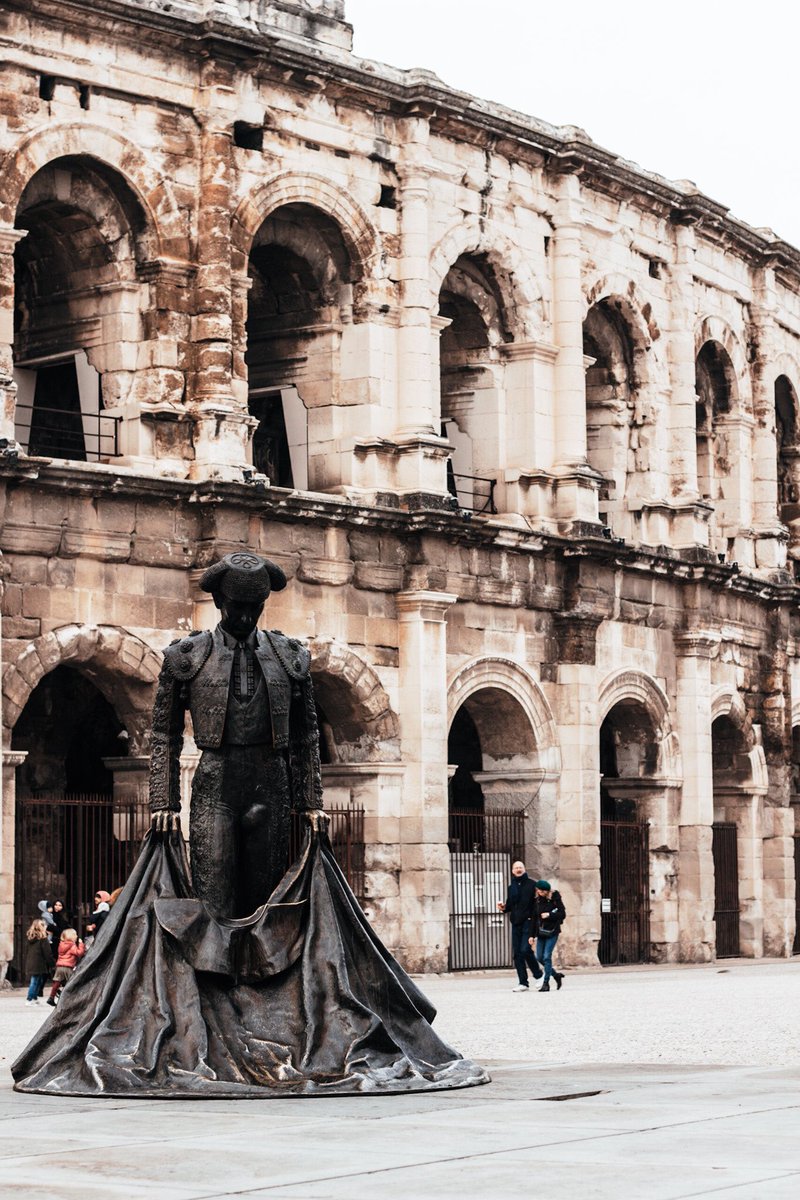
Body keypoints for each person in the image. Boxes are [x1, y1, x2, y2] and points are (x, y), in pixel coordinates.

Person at [148, 551, 324, 919]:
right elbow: (164, 735)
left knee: (264, 903)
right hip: (217, 783)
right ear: (218, 602)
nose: (245, 617)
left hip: (270, 782)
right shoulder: (186, 656)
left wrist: (310, 800)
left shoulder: (290, 656)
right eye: (236, 607)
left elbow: (307, 737)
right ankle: (218, 975)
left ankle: (257, 976)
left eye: (254, 608)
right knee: (214, 898)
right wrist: (164, 801)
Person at [497, 860, 542, 992]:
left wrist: (535, 922)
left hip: (528, 921)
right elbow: (510, 905)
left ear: (524, 869)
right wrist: (503, 908)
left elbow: (536, 905)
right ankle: (523, 982)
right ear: (512, 871)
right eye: (516, 868)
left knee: (525, 950)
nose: (518, 869)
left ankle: (539, 975)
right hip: (516, 922)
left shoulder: (532, 884)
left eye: (520, 867)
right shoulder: (512, 887)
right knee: (517, 954)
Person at [529, 880, 566, 992]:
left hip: (552, 932)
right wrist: (531, 935)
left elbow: (562, 914)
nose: (539, 892)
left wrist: (549, 915)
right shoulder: (537, 901)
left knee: (546, 956)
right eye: (538, 890)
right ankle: (556, 975)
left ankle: (546, 983)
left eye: (541, 891)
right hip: (541, 933)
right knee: (539, 957)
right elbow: (534, 919)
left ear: (546, 891)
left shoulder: (555, 898)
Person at [47, 929, 85, 1006]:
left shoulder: (61, 944)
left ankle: (51, 997)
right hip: (68, 967)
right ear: (72, 937)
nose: (77, 936)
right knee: (71, 982)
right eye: (76, 935)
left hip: (60, 966)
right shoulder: (71, 945)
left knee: (57, 981)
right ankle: (72, 998)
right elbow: (79, 953)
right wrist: (81, 944)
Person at [24, 919, 53, 1005]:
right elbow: (47, 953)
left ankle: (34, 997)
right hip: (39, 962)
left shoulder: (30, 938)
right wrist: (52, 963)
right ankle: (29, 999)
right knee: (35, 980)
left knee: (38, 980)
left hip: (32, 962)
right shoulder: (43, 939)